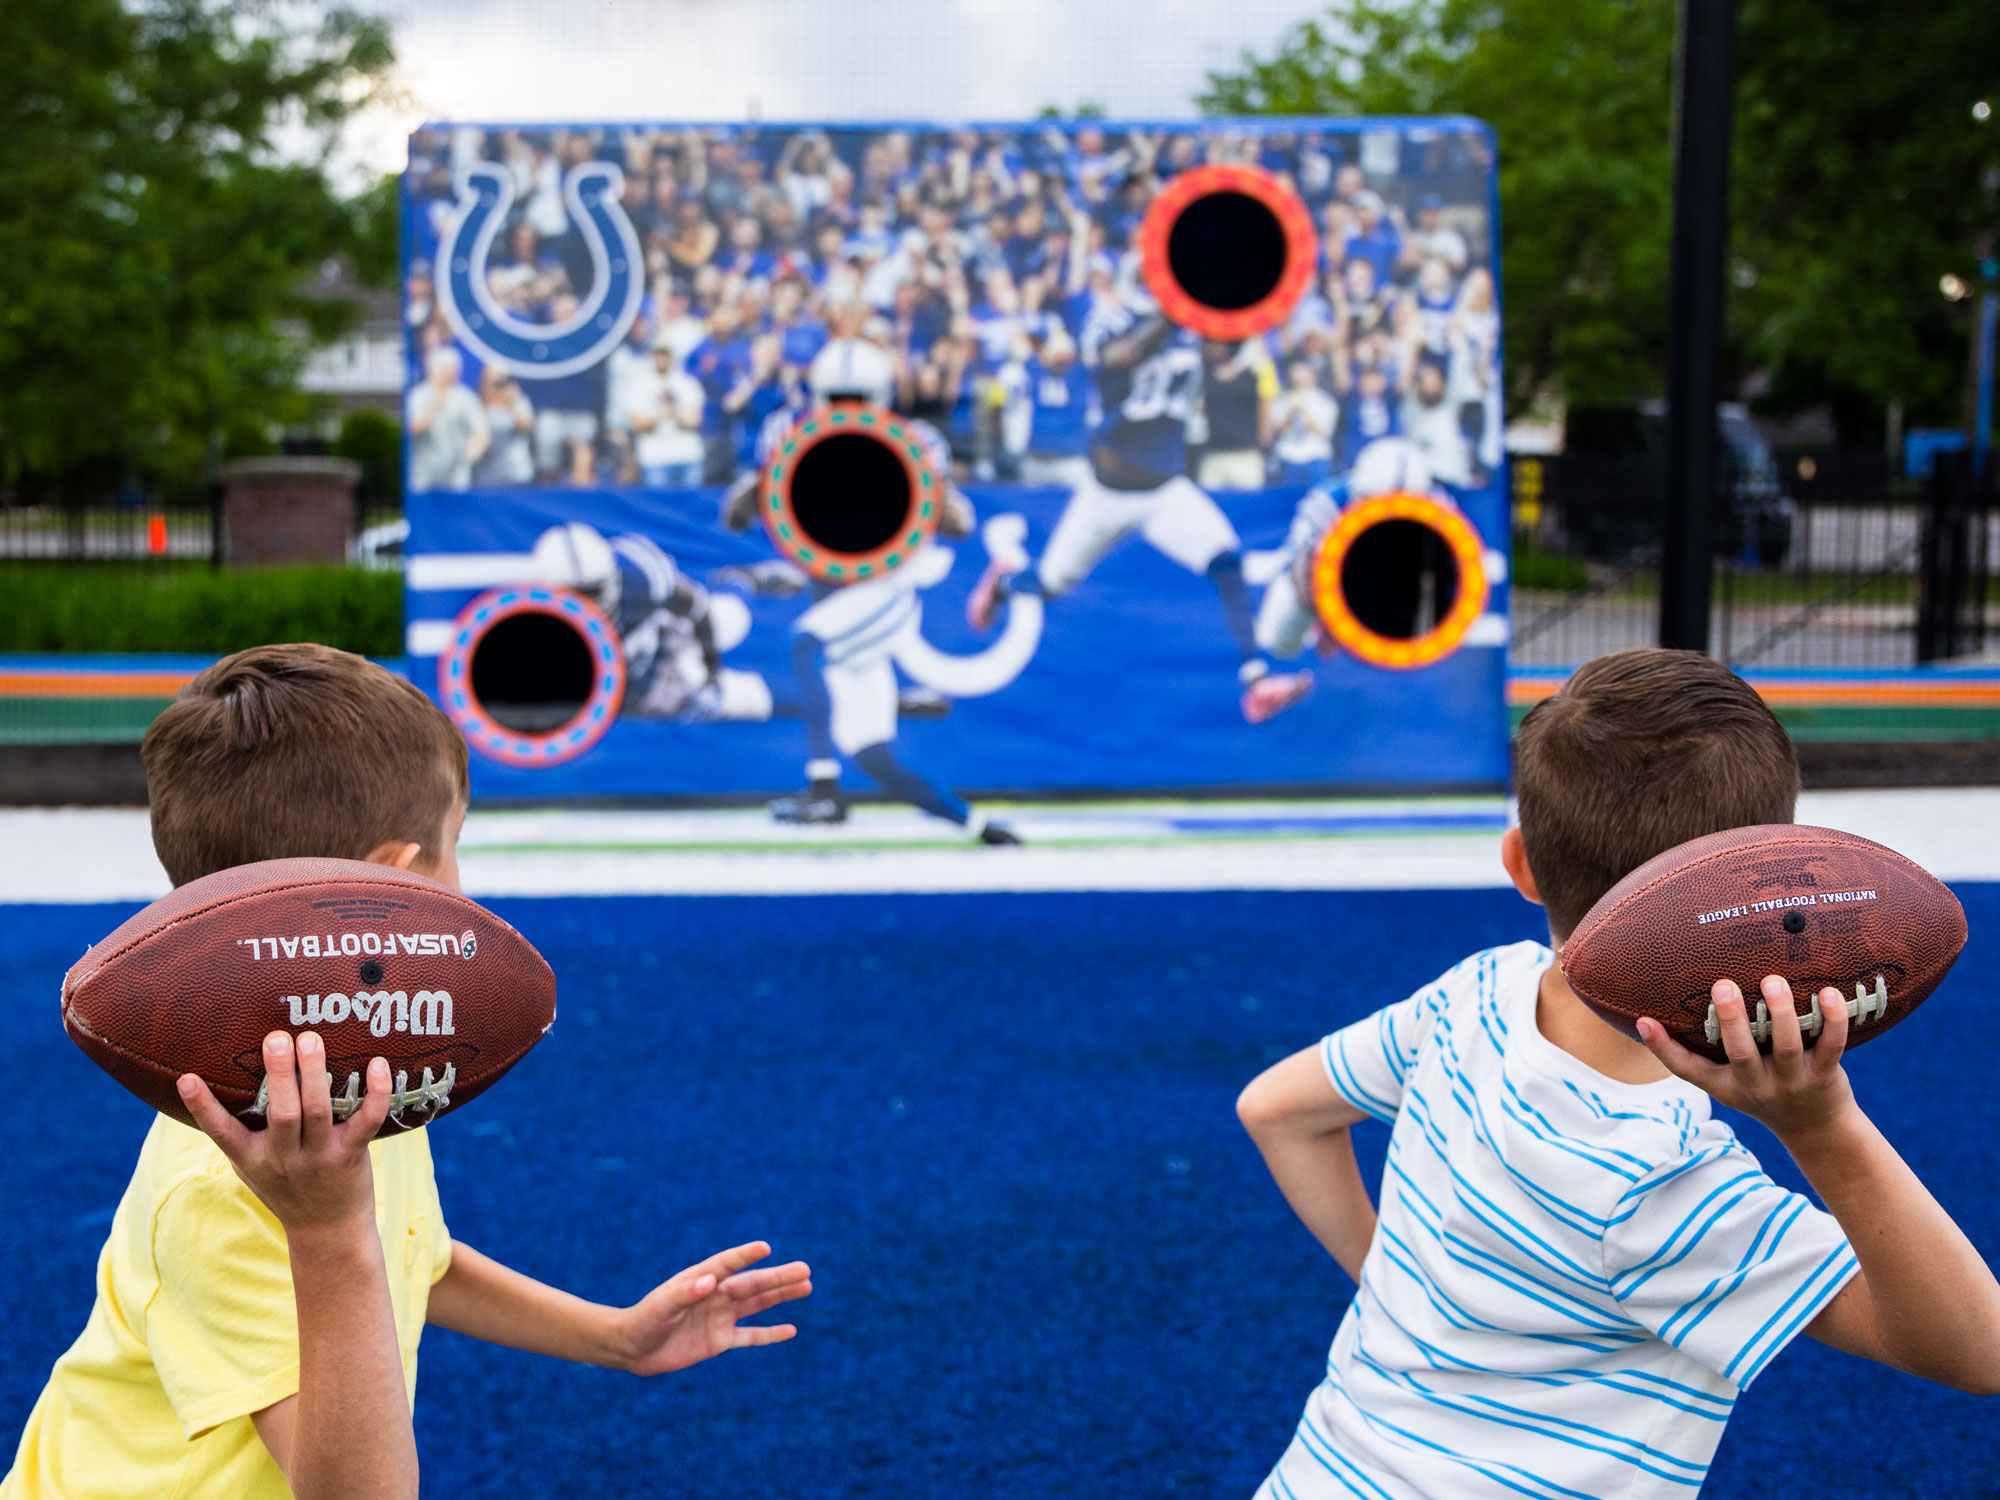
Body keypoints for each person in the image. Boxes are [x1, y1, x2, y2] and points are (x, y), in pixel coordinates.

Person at [0, 644, 812, 1500]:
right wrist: (325, 1234)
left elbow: (414, 1252)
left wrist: (614, 1337)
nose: (468, 886)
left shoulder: (348, 1089)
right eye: (454, 848)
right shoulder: (229, 1183)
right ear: (390, 894)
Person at [1237, 648, 2000, 1500]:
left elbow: (1275, 1110)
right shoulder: (1659, 1187)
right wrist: (1825, 1129)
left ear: (1522, 863)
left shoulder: (1476, 994)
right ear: (1781, 877)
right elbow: (1976, 1349)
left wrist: (1413, 1300)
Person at [405, 346, 487, 493]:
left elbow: (481, 432)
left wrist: (475, 448)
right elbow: (411, 429)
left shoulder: (466, 398)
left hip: (456, 474)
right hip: (424, 474)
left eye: (452, 370)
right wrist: (435, 407)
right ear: (432, 370)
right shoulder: (418, 396)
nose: (448, 375)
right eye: (444, 370)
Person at [471, 366, 535, 487]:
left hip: (516, 472)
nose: (497, 381)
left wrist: (513, 401)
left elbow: (526, 428)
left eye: (502, 378)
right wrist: (488, 397)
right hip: (486, 474)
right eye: (493, 376)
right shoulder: (477, 402)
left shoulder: (519, 400)